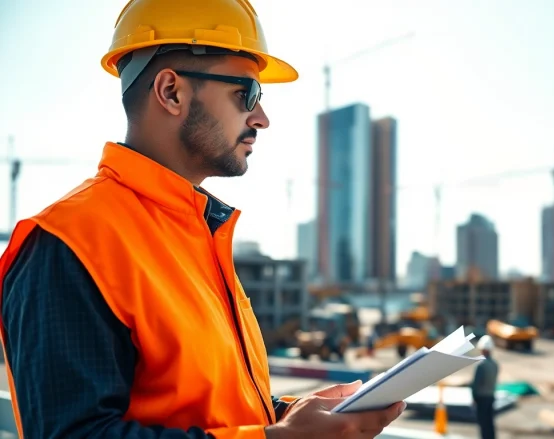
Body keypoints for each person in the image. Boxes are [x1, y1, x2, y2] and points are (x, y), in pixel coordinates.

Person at [0, 1, 405, 438]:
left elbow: (208, 406)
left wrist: (288, 416)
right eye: (245, 94)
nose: (261, 119)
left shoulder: (198, 236)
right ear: (171, 92)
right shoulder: (69, 243)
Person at [471, 335, 499, 439]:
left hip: (481, 398)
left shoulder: (480, 365)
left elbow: (476, 384)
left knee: (483, 424)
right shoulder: (495, 364)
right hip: (491, 396)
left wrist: (473, 397)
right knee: (490, 423)